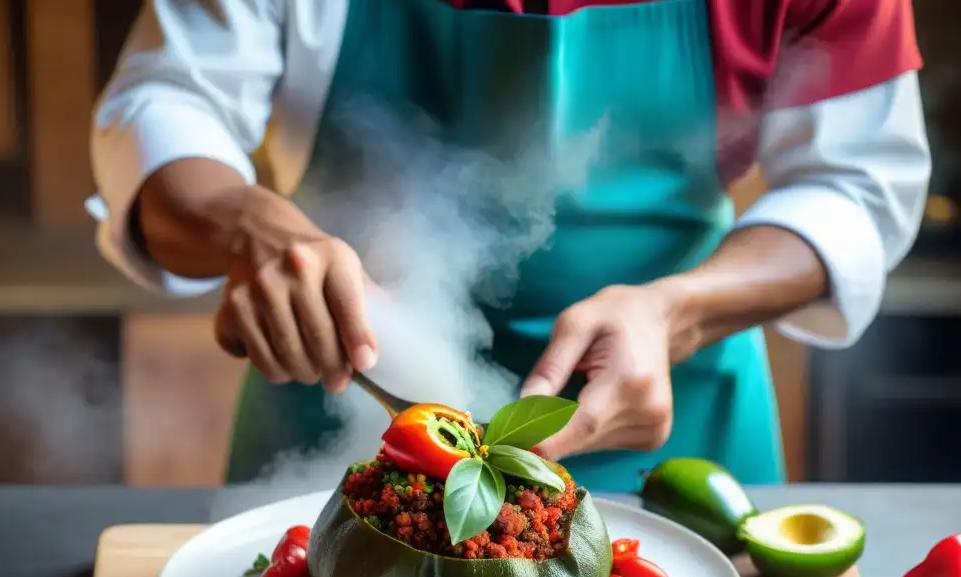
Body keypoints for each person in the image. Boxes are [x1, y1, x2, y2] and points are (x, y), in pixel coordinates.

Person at [88, 0, 931, 491]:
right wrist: (247, 227)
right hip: (351, 399)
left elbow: (856, 185)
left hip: (670, 427)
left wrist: (678, 312)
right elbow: (166, 98)